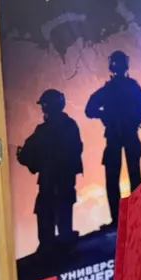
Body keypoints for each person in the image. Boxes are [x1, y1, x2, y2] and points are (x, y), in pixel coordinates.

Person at [85, 50, 141, 227]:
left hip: (120, 135)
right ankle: (130, 217)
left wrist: (106, 115)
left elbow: (90, 109)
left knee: (121, 176)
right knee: (128, 175)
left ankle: (121, 218)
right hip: (121, 134)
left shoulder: (112, 89)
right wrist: (129, 119)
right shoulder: (128, 87)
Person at [17, 88, 83, 248]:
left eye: (44, 106)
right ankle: (60, 245)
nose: (43, 109)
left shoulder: (44, 130)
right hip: (61, 179)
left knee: (48, 212)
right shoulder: (69, 125)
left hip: (52, 179)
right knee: (56, 212)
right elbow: (77, 149)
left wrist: (34, 162)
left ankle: (52, 248)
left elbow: (26, 154)